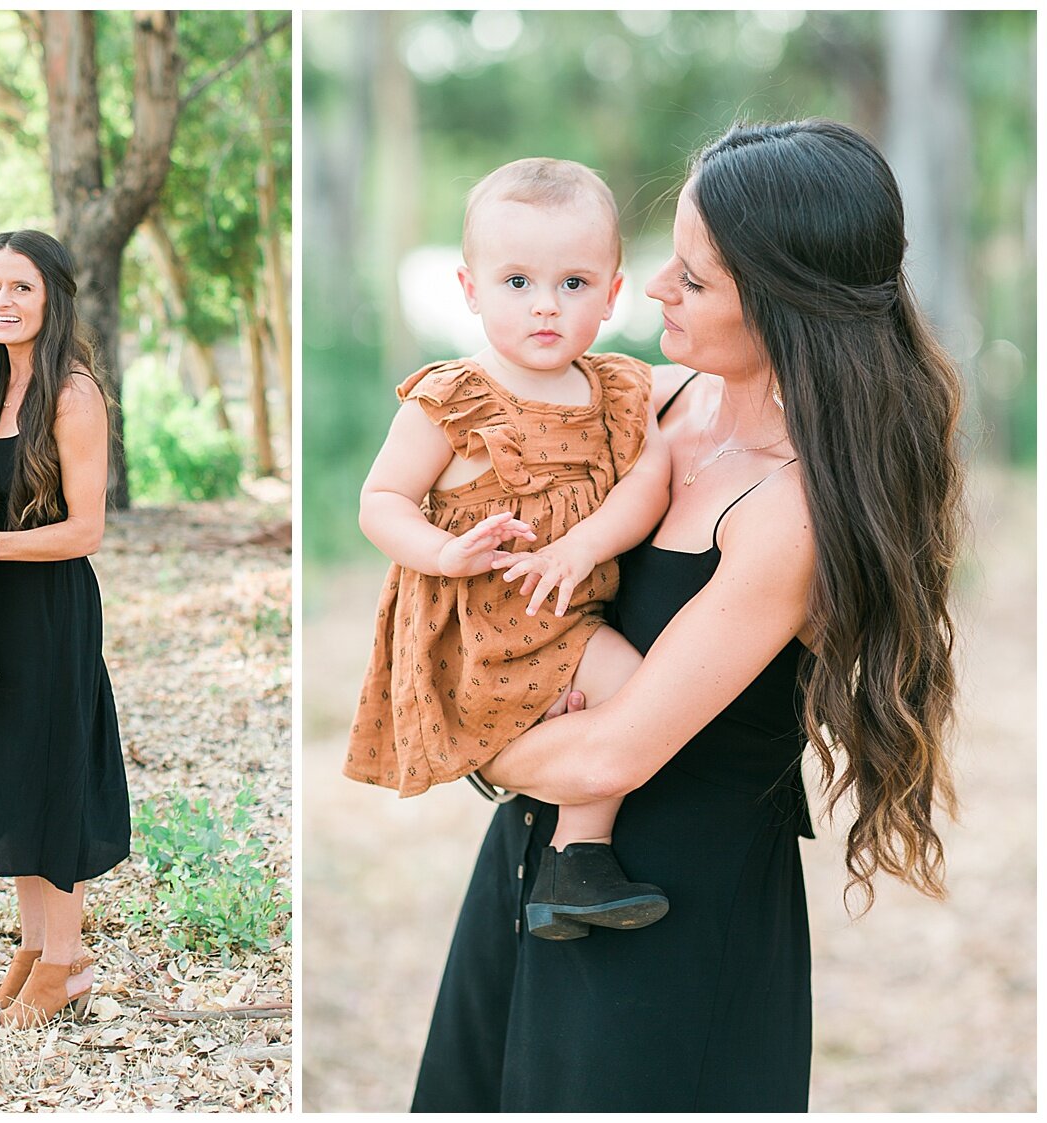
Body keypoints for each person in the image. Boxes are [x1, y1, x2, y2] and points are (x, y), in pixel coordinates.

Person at [409, 118, 962, 1111]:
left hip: (671, 912)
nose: (655, 286)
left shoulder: (789, 511)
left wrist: (450, 730)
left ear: (785, 306)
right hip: (538, 859)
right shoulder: (655, 407)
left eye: (695, 279)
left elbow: (608, 757)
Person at [345, 157, 672, 935]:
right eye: (517, 282)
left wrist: (582, 545)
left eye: (574, 284)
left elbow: (649, 482)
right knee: (632, 692)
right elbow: (380, 501)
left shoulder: (618, 392)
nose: (546, 307)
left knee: (633, 690)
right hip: (482, 628)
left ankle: (573, 858)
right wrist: (441, 551)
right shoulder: (451, 400)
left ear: (614, 294)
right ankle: (574, 838)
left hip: (568, 619)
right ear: (470, 290)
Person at [0, 229, 130, 1028]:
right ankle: (36, 950)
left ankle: (68, 960)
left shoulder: (72, 394)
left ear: (53, 298)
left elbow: (86, 531)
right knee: (11, 775)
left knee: (52, 774)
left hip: (50, 606)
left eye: (21, 288)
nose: (2, 302)